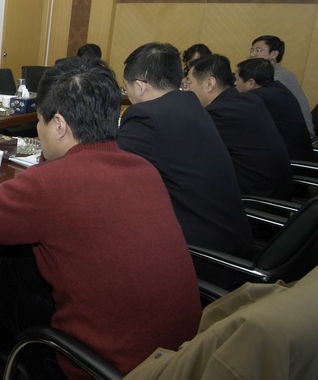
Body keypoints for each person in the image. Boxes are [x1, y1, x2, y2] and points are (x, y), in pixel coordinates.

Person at [0, 59, 201, 380]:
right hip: (177, 364)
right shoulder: (143, 168)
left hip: (111, 378)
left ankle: (5, 369)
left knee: (15, 293)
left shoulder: (51, 185)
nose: (38, 130)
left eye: (40, 121)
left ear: (58, 125)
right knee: (21, 260)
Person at [117, 42, 254, 259]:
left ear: (140, 86)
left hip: (200, 254)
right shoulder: (190, 104)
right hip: (229, 240)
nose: (128, 93)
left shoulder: (147, 116)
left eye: (126, 87)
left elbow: (109, 171)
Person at [185, 54, 292, 200]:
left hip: (254, 201)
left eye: (189, 82)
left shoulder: (220, 113)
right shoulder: (247, 100)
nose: (187, 89)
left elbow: (188, 152)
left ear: (209, 84)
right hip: (276, 193)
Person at [236, 58, 313, 161]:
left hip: (291, 163)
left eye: (237, 80)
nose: (235, 84)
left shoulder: (257, 98)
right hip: (298, 156)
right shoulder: (278, 89)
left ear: (250, 83)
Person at [249, 35, 314, 137]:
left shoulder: (280, 76)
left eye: (258, 50)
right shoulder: (261, 75)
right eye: (252, 50)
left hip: (298, 135)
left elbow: (258, 100)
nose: (252, 54)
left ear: (274, 54)